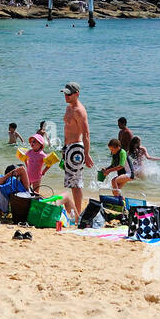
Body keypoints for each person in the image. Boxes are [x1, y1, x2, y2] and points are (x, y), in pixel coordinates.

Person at [60, 81, 92, 223]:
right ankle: (76, 213)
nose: (66, 96)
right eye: (65, 93)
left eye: (69, 94)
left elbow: (86, 134)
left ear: (77, 94)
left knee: (76, 183)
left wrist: (87, 153)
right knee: (71, 182)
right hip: (68, 148)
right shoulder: (69, 108)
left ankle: (78, 215)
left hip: (76, 149)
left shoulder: (79, 110)